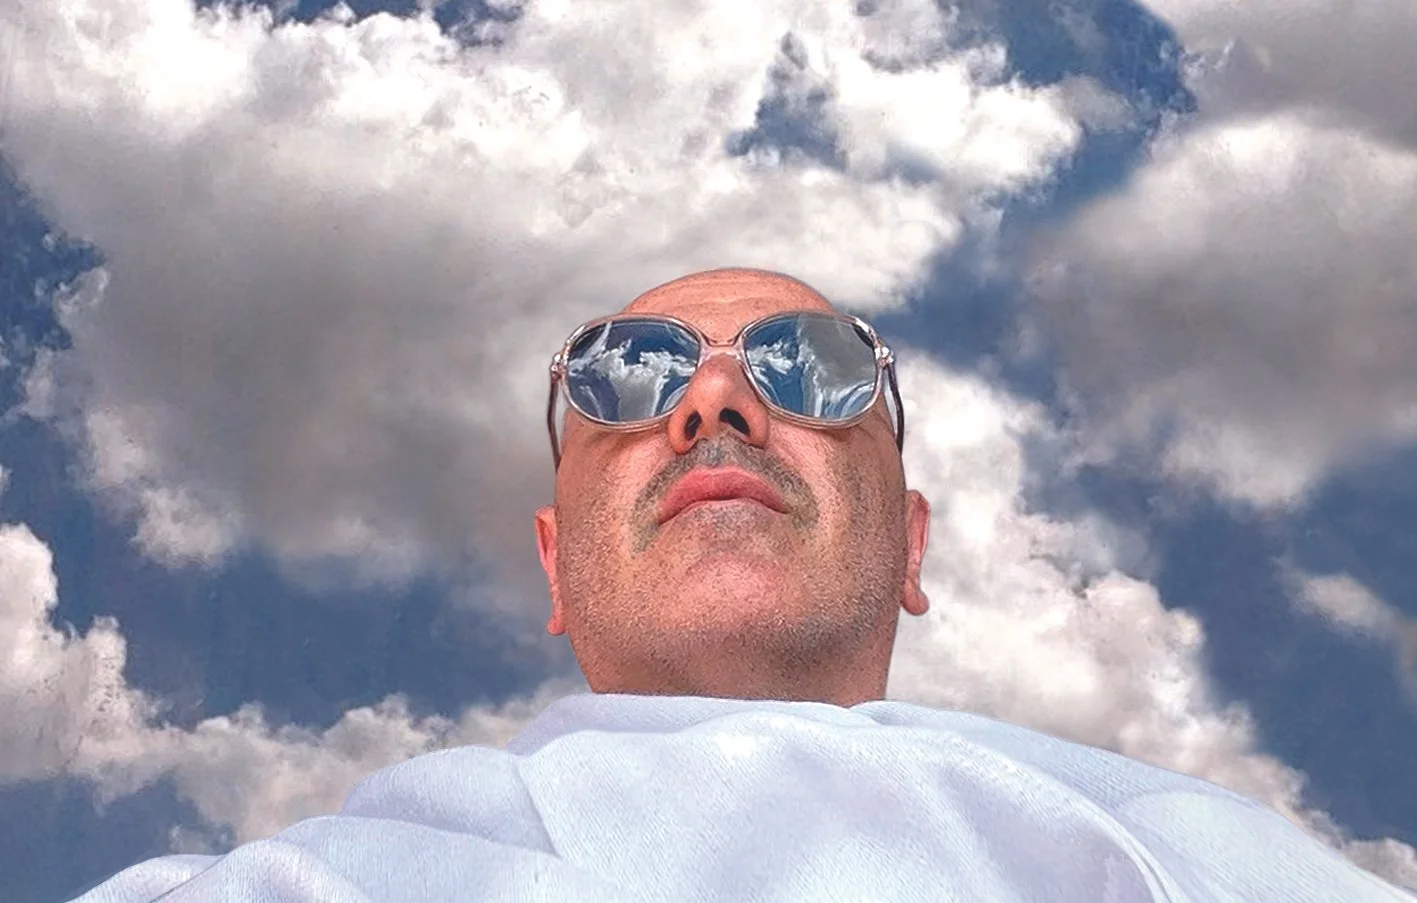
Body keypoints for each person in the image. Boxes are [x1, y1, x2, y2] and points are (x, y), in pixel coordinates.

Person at [72, 268, 1414, 902]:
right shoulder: (309, 886)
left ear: (912, 548)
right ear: (554, 567)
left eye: (815, 363)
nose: (713, 399)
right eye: (622, 371)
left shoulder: (1221, 864)